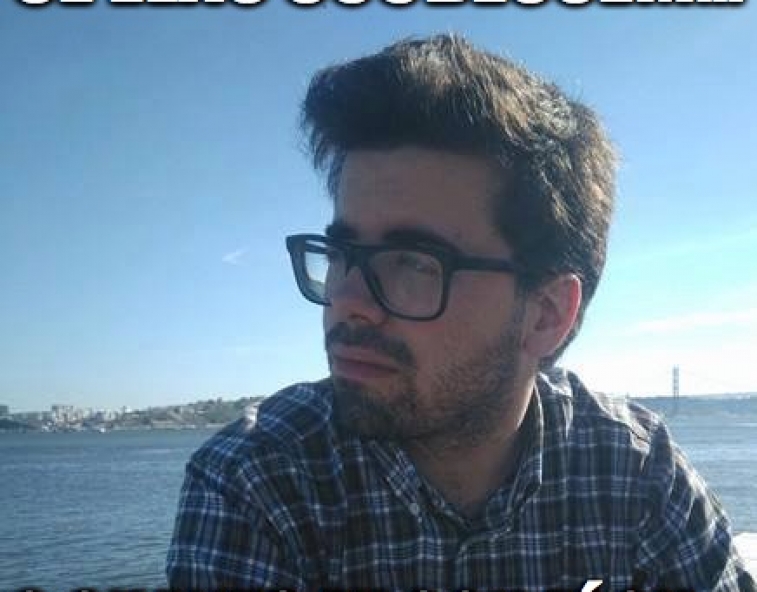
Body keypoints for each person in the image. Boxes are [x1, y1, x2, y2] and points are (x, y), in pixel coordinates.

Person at [166, 34, 755, 591]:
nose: (347, 301)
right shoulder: (259, 482)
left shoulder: (634, 472)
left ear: (547, 314)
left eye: (414, 263)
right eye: (342, 255)